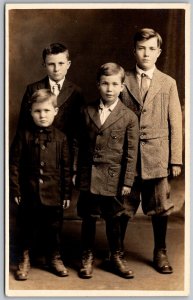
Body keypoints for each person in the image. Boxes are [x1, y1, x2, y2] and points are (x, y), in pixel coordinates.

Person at [120, 28, 183, 274]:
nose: (146, 53)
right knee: (123, 205)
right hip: (129, 157)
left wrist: (175, 159)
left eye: (151, 49)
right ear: (134, 50)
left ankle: (161, 251)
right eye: (141, 48)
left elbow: (175, 123)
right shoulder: (122, 79)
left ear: (158, 52)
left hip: (157, 157)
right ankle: (117, 252)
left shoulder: (168, 83)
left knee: (160, 205)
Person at [74, 62, 139, 279]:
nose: (109, 89)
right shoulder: (86, 111)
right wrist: (76, 170)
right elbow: (77, 144)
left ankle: (116, 256)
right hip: (89, 176)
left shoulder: (129, 116)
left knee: (114, 219)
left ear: (122, 86)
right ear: (97, 85)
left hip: (114, 178)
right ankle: (87, 256)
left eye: (114, 84)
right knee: (89, 218)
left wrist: (128, 181)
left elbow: (131, 153)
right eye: (104, 84)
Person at [10, 89, 72, 280]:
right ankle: (24, 258)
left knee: (53, 228)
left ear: (55, 111)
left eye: (46, 110)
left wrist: (66, 194)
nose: (42, 115)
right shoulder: (23, 135)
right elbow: (14, 165)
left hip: (54, 194)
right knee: (26, 227)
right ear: (30, 112)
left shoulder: (61, 138)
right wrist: (15, 189)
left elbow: (66, 169)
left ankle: (53, 257)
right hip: (29, 193)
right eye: (37, 111)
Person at [17, 42, 84, 158]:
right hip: (37, 152)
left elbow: (79, 131)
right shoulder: (33, 89)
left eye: (61, 63)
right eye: (51, 64)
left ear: (68, 64)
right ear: (44, 65)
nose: (56, 69)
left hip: (65, 154)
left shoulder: (77, 92)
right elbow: (23, 126)